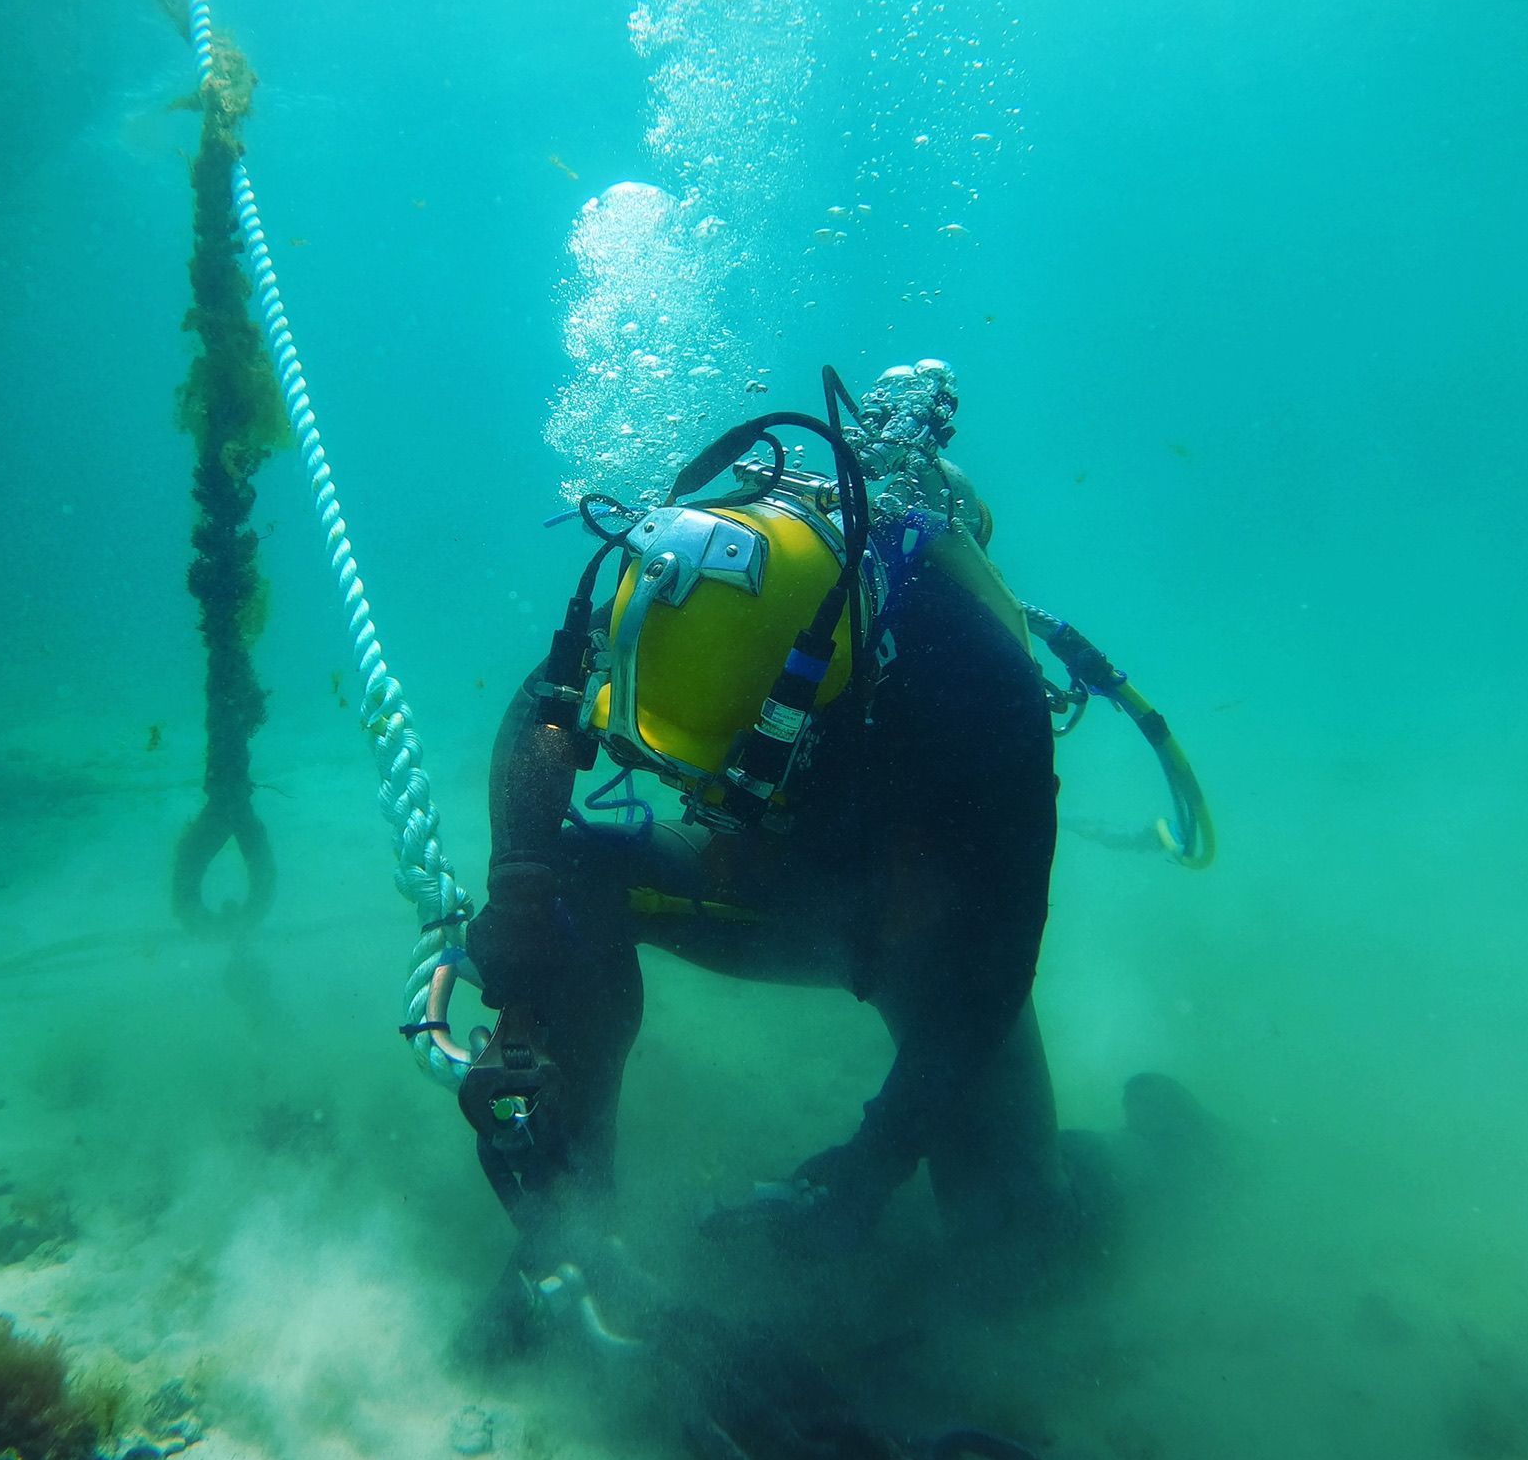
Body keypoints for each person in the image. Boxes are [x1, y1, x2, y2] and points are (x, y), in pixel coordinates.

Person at [462, 361, 1165, 1302]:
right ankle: (569, 1227)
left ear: (815, 691)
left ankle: (1149, 1165)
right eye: (685, 779)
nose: (706, 807)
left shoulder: (978, 687)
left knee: (1016, 1257)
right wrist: (518, 883)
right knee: (560, 891)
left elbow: (993, 972)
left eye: (732, 775)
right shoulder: (683, 590)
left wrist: (873, 1164)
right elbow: (544, 703)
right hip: (776, 892)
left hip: (926, 938)